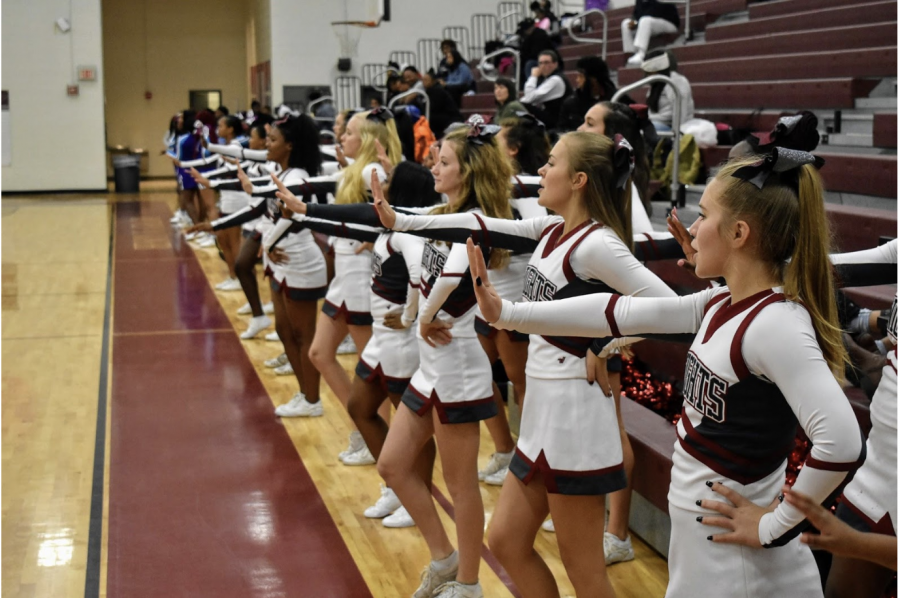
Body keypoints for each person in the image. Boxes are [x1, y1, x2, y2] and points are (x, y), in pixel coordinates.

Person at [475, 148, 865, 597]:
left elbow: (841, 440)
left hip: (743, 567)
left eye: (702, 217)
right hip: (704, 546)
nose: (692, 230)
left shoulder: (776, 323)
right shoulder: (721, 302)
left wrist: (774, 525)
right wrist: (508, 313)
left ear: (739, 233)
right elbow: (616, 310)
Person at [380, 131, 675, 597]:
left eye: (551, 163)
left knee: (584, 572)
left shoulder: (597, 245)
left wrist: (610, 345)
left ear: (578, 180)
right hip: (540, 412)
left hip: (575, 419)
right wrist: (402, 220)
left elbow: (671, 307)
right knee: (506, 541)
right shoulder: (551, 228)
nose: (540, 170)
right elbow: (477, 223)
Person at [371, 123, 517, 598]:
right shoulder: (439, 212)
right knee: (392, 466)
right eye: (435, 160)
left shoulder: (476, 222)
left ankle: (470, 584)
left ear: (468, 172)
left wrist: (425, 315)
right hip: (430, 366)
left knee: (461, 486)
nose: (434, 167)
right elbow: (406, 241)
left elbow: (453, 276)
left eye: (444, 161)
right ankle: (444, 558)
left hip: (459, 370)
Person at [275, 161, 442, 529]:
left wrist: (412, 315)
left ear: (402, 192)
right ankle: (399, 486)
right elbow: (344, 222)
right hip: (381, 343)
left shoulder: (409, 232)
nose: (379, 189)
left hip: (400, 343)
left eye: (389, 183)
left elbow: (418, 275)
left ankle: (418, 494)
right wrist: (304, 214)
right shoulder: (390, 225)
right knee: (360, 407)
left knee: (411, 429)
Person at [305, 108, 402, 466]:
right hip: (343, 274)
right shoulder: (354, 169)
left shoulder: (371, 171)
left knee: (375, 372)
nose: (341, 137)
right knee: (319, 353)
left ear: (366, 141)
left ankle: (383, 442)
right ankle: (365, 429)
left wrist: (373, 236)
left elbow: (393, 214)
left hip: (362, 275)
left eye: (348, 133)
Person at [579, 101, 654, 234]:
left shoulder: (619, 187)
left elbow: (644, 241)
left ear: (612, 137)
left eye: (590, 124)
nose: (580, 129)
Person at [557, 56, 620, 133]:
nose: (577, 80)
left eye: (580, 76)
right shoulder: (570, 103)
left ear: (593, 79)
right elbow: (562, 131)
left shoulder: (617, 99)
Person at [641, 49, 694, 132]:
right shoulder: (656, 84)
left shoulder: (677, 81)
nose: (647, 75)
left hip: (672, 128)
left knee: (645, 130)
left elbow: (681, 115)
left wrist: (677, 138)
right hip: (656, 123)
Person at [520, 50, 572, 130]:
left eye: (546, 62)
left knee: (521, 105)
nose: (543, 66)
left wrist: (533, 76)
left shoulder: (556, 79)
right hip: (550, 117)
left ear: (555, 64)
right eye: (540, 63)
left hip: (557, 122)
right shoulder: (546, 78)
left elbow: (529, 98)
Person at [622, 0, 680, 66]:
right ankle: (630, 53)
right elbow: (636, 14)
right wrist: (634, 23)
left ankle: (641, 54)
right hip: (648, 23)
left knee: (645, 20)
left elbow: (658, 12)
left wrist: (639, 22)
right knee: (626, 24)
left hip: (669, 22)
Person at [423, 69, 464, 138]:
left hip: (451, 119)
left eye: (426, 80)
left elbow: (434, 108)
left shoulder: (438, 90)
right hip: (443, 117)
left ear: (433, 81)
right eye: (423, 80)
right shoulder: (428, 91)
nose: (423, 82)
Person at [517, 19, 555, 91]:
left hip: (543, 59)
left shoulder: (540, 35)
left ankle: (532, 86)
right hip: (534, 58)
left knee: (529, 64)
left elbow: (537, 53)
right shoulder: (527, 38)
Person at [437, 42, 475, 108]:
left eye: (450, 57)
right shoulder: (450, 67)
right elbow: (450, 79)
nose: (447, 60)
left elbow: (461, 81)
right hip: (454, 86)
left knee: (451, 90)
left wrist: (446, 84)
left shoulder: (463, 66)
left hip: (466, 87)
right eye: (447, 57)